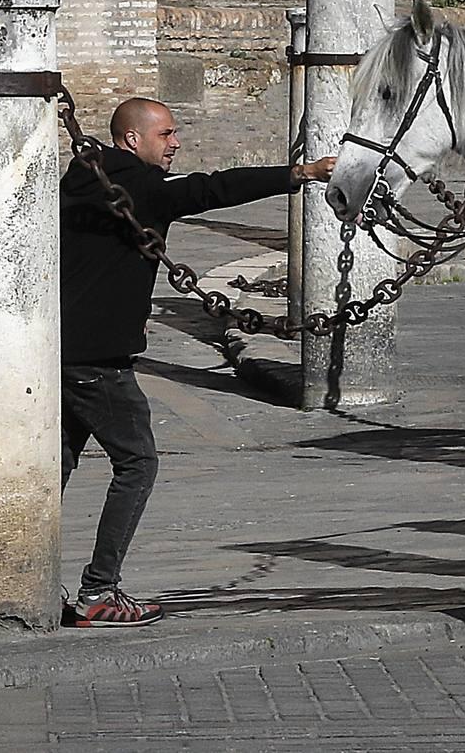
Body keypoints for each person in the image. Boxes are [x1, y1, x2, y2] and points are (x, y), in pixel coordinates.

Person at [58, 97, 335, 627]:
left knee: (56, 466)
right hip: (98, 359)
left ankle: (21, 576)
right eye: (165, 134)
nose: (176, 142)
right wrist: (299, 173)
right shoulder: (135, 189)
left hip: (65, 353)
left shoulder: (80, 184)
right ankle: (99, 590)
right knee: (137, 463)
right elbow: (212, 188)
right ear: (132, 140)